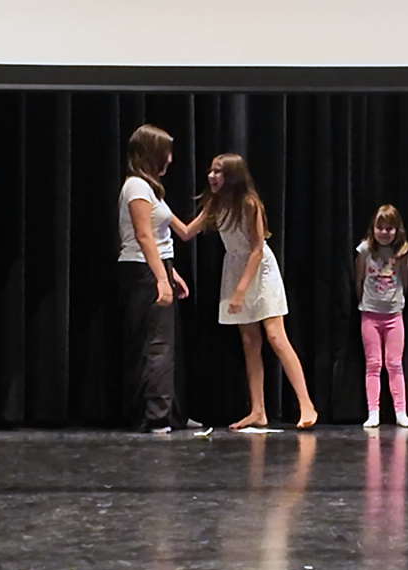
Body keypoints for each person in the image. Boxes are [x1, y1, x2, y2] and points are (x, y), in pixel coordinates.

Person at [171, 153, 318, 430]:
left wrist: (240, 292)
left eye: (218, 172)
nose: (211, 176)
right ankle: (258, 410)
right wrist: (161, 211)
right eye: (211, 171)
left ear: (232, 176)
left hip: (259, 271)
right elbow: (188, 232)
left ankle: (306, 403)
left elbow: (257, 249)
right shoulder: (215, 204)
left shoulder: (249, 204)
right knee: (250, 342)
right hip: (235, 267)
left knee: (276, 337)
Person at [117, 124, 196, 434]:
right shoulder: (136, 187)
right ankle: (156, 417)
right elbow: (143, 236)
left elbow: (181, 232)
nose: (170, 159)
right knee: (156, 345)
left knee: (167, 345)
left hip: (157, 265)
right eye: (165, 153)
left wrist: (171, 272)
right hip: (141, 270)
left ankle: (172, 414)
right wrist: (161, 279)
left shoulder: (152, 191)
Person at [355, 205, 408, 428]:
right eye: (380, 227)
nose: (384, 232)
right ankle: (374, 412)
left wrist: (397, 301)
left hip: (394, 315)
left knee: (394, 364)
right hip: (370, 315)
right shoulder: (365, 250)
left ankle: (401, 412)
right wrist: (365, 301)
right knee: (373, 364)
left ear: (397, 230)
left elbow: (405, 280)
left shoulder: (402, 252)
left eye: (389, 228)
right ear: (373, 228)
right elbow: (359, 279)